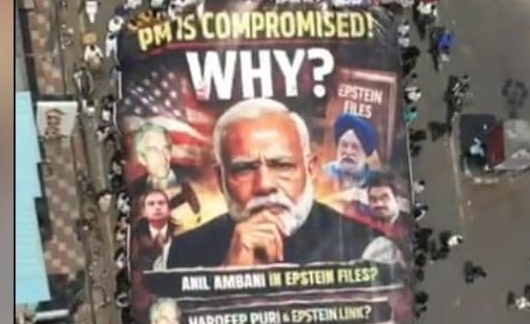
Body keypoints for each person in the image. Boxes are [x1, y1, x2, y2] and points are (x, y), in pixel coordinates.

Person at [167, 100, 396, 268]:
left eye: (282, 165)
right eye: (244, 169)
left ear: (310, 169)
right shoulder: (179, 255)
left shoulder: (370, 249)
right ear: (220, 180)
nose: (265, 185)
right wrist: (228, 278)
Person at [129, 124, 201, 217]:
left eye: (165, 148)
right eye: (154, 151)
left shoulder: (193, 178)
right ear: (142, 158)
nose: (162, 156)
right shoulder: (135, 190)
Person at [323, 112, 380, 187]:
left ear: (366, 153)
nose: (348, 151)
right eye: (344, 145)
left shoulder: (374, 182)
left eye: (355, 147)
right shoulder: (323, 173)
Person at [129, 189, 176, 270]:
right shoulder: (140, 232)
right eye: (151, 204)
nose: (157, 208)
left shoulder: (175, 234)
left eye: (161, 203)